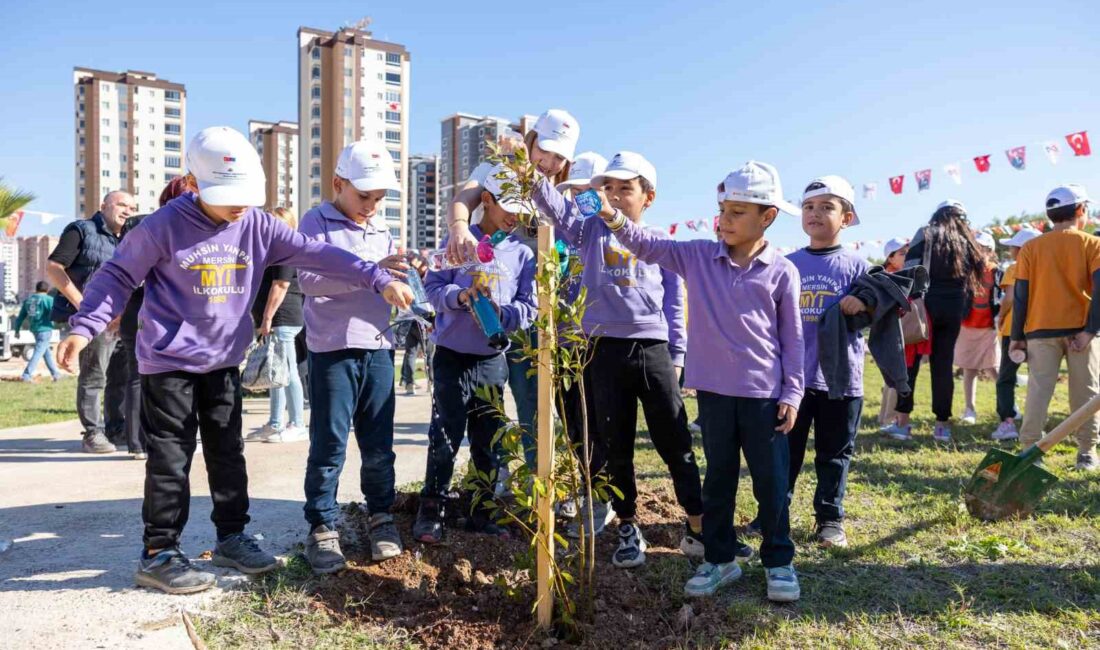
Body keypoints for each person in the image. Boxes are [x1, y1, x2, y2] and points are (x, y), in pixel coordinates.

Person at [56, 126, 414, 595]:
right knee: (170, 457)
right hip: (169, 362)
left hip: (223, 360)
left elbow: (317, 253)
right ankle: (159, 552)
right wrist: (83, 327)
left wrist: (374, 276)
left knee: (228, 453)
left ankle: (232, 536)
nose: (239, 206)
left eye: (246, 195)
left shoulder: (257, 224)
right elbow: (118, 274)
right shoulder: (162, 226)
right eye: (228, 197)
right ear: (195, 182)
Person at [594, 160, 803, 601]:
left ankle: (780, 562)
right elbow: (645, 242)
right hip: (714, 394)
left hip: (764, 397)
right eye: (722, 209)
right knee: (719, 480)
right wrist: (612, 214)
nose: (723, 220)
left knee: (771, 482)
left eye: (736, 212)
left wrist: (793, 392)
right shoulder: (696, 257)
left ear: (767, 217)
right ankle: (719, 559)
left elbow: (793, 339)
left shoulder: (782, 271)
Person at [532, 151, 702, 570]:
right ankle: (628, 525)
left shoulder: (659, 241)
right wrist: (527, 169)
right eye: (607, 187)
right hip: (601, 351)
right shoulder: (586, 232)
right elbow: (551, 203)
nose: (614, 195)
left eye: (626, 188)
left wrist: (677, 357)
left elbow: (675, 306)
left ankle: (699, 528)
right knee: (615, 445)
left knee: (676, 442)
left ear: (649, 196)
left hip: (652, 350)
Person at [297, 140, 415, 572]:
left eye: (379, 198)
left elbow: (388, 281)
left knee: (379, 444)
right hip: (333, 350)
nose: (371, 205)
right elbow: (308, 281)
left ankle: (381, 517)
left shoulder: (380, 229)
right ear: (338, 184)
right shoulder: (315, 222)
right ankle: (322, 527)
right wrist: (370, 276)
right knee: (329, 443)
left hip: (379, 346)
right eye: (364, 196)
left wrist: (405, 278)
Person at [445, 110, 579, 466]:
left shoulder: (559, 192)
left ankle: (540, 480)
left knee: (532, 395)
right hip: (492, 298)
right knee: (487, 398)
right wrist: (460, 227)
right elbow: (465, 198)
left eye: (558, 157)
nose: (548, 162)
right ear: (531, 139)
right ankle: (494, 476)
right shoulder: (500, 166)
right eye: (544, 151)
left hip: (534, 305)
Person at [413, 163, 537, 544]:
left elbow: (529, 306)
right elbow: (432, 288)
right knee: (445, 434)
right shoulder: (457, 242)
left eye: (522, 210)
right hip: (451, 355)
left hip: (491, 360)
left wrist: (506, 315)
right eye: (508, 208)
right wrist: (458, 297)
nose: (515, 217)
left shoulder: (522, 254)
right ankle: (432, 508)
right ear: (486, 200)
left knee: (489, 439)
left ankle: (481, 510)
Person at [771, 176, 869, 549]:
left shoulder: (859, 266)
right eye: (809, 206)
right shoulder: (786, 264)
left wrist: (865, 304)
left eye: (827, 206)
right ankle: (775, 515)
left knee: (834, 454)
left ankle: (830, 520)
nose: (815, 213)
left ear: (846, 218)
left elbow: (881, 311)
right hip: (792, 381)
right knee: (784, 453)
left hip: (841, 380)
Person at [1012, 185, 1100, 471]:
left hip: (1039, 331)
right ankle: (1087, 453)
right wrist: (1091, 330)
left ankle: (1029, 453)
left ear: (1050, 215)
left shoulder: (1030, 247)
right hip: (1081, 331)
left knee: (1038, 391)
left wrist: (1016, 338)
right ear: (1080, 211)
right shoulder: (1093, 244)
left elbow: (1020, 295)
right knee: (1085, 393)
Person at [115, 177, 199, 461]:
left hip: (138, 308)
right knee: (148, 376)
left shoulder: (140, 224)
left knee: (139, 376)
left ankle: (139, 442)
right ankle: (148, 441)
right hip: (153, 310)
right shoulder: (165, 226)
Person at [47, 190, 137, 453]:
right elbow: (54, 267)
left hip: (122, 320)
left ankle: (116, 428)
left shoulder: (131, 239)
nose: (127, 212)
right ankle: (92, 433)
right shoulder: (82, 230)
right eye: (121, 205)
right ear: (103, 206)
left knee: (120, 376)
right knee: (94, 376)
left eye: (132, 208)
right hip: (92, 320)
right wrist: (85, 306)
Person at [900, 200, 986, 442]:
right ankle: (941, 426)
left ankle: (903, 423)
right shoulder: (967, 239)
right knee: (943, 365)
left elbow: (910, 269)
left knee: (911, 362)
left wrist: (910, 299)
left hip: (925, 306)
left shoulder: (926, 233)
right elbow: (973, 278)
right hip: (955, 308)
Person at [246, 207, 307, 444]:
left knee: (289, 372)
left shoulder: (286, 250)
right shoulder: (270, 250)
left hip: (283, 318)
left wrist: (267, 318)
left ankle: (297, 423)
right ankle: (275, 422)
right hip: (272, 319)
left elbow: (280, 285)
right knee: (276, 371)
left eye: (274, 222)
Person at [991, 227, 1041, 441]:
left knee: (1006, 377)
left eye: (1012, 247)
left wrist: (1000, 316)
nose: (1010, 251)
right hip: (1040, 328)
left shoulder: (1015, 267)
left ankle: (1007, 422)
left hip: (1014, 329)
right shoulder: (1045, 268)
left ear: (1021, 249)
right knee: (1039, 378)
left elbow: (1010, 297)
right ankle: (1036, 423)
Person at [954, 231, 1001, 424]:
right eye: (976, 248)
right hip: (967, 326)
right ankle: (969, 409)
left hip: (989, 327)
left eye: (983, 248)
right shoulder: (965, 272)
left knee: (993, 368)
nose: (979, 252)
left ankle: (1006, 407)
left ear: (991, 251)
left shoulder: (997, 272)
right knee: (969, 369)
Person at [877, 238, 909, 429]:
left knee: (892, 377)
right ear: (890, 257)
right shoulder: (889, 277)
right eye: (902, 253)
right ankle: (889, 419)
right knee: (896, 376)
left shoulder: (897, 275)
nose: (906, 257)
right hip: (892, 331)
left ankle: (885, 417)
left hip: (898, 330)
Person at [13, 281, 61, 382]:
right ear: (47, 290)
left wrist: (17, 330)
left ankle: (56, 374)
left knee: (46, 352)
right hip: (45, 329)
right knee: (38, 352)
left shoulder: (28, 300)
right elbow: (55, 313)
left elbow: (20, 317)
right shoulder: (48, 299)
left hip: (35, 330)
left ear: (36, 289)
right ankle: (26, 375)